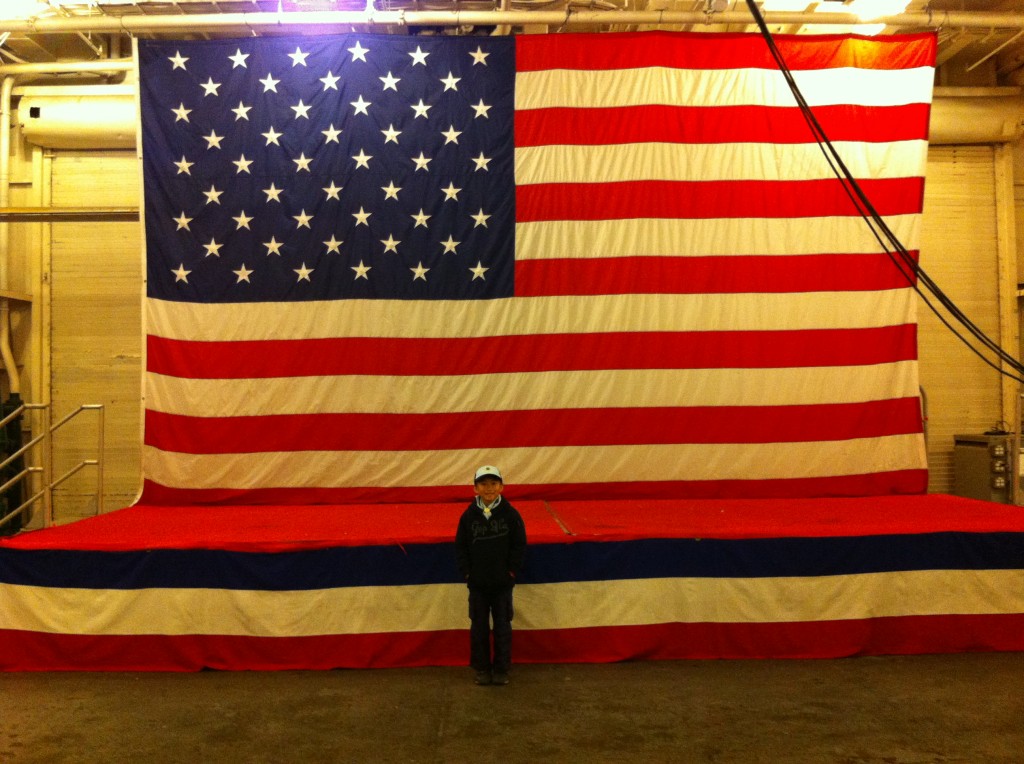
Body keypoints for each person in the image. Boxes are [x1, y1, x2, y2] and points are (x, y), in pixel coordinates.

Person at [455, 465, 527, 686]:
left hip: (502, 585)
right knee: (479, 628)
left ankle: (501, 669)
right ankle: (482, 669)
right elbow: (461, 547)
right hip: (477, 585)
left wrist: (511, 572)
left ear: (502, 487)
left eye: (493, 484)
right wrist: (468, 573)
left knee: (503, 627)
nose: (489, 488)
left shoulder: (511, 515)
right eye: (483, 484)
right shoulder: (468, 517)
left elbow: (519, 546)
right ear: (475, 488)